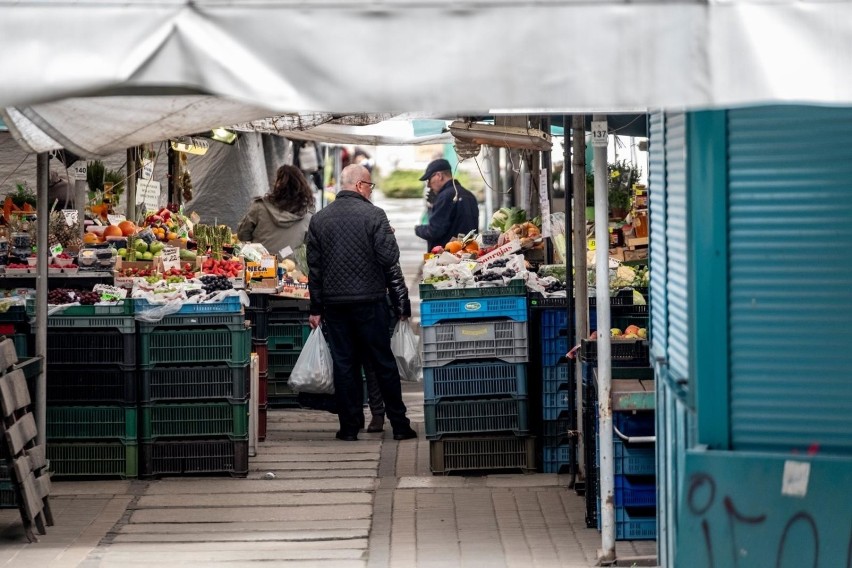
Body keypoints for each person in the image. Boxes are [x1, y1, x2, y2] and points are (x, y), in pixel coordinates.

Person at [306, 164, 417, 442]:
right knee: (383, 363)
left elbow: (314, 270)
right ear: (359, 185)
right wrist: (400, 304)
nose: (371, 191)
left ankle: (349, 427)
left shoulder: (319, 220)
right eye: (370, 186)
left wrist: (316, 309)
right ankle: (400, 425)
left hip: (335, 306)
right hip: (370, 302)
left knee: (345, 365)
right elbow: (389, 258)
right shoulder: (375, 215)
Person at [237, 165, 315, 255]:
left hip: (260, 265)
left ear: (278, 185)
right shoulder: (308, 217)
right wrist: (285, 252)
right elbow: (309, 247)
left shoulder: (260, 207)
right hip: (291, 266)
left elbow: (242, 235)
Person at [414, 158, 480, 251]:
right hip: (468, 252)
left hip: (447, 256)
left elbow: (434, 231)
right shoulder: (469, 194)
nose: (428, 185)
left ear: (439, 175)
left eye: (429, 179)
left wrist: (418, 229)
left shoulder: (445, 196)